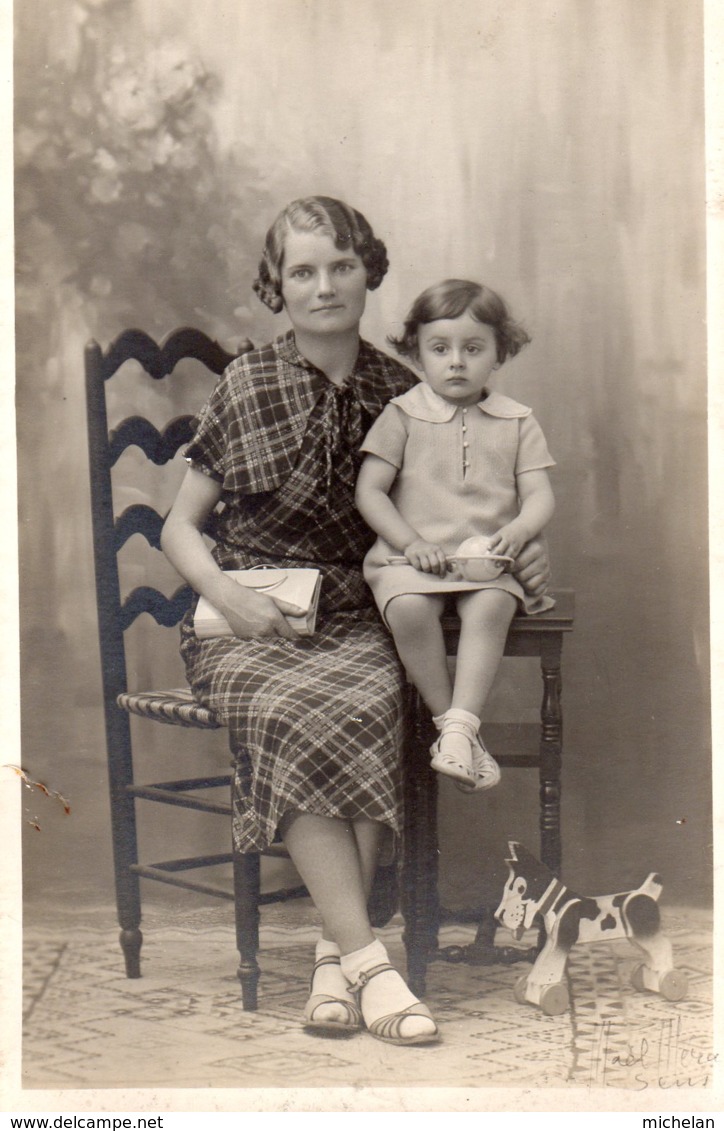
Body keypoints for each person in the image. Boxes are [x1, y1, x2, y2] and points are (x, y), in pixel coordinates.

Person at [161, 199, 551, 1046]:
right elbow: (178, 526)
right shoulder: (248, 383)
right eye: (302, 270)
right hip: (248, 617)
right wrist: (228, 597)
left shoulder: (401, 390)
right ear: (278, 285)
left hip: (354, 610)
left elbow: (464, 508)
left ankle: (336, 964)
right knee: (291, 710)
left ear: (369, 270)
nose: (325, 285)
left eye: (341, 265)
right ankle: (376, 966)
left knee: (370, 702)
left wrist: (516, 550)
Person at [355, 279, 555, 792]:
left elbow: (539, 496)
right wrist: (409, 543)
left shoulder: (517, 422)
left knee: (491, 607)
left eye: (473, 348)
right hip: (413, 563)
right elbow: (371, 493)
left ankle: (458, 729)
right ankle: (458, 729)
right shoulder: (401, 416)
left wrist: (518, 529)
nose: (456, 362)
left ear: (498, 353)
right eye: (439, 349)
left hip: (485, 563)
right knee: (408, 610)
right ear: (418, 353)